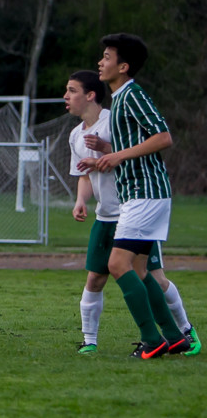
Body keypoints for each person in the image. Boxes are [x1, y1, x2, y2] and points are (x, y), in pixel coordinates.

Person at [65, 70, 199, 356]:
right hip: (105, 216)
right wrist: (81, 201)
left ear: (90, 95)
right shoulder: (75, 135)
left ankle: (182, 332)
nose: (66, 96)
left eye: (72, 90)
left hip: (135, 208)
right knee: (96, 278)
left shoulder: (114, 119)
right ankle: (90, 341)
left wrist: (106, 149)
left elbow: (139, 151)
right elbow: (85, 175)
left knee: (154, 278)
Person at [94, 33, 192, 359]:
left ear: (123, 66)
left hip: (145, 193)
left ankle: (152, 340)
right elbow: (135, 147)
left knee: (117, 264)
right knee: (138, 270)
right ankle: (175, 337)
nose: (101, 62)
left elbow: (163, 137)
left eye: (107, 57)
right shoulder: (119, 98)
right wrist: (110, 154)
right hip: (142, 193)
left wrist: (119, 157)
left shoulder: (132, 94)